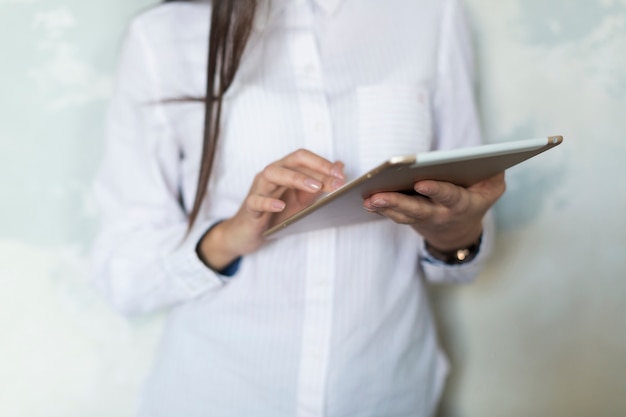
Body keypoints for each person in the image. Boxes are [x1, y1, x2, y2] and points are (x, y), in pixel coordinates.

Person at [91, 0, 505, 416]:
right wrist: (228, 237)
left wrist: (454, 234)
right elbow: (123, 273)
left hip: (387, 394)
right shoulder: (162, 36)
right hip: (217, 394)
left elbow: (466, 263)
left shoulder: (431, 14)